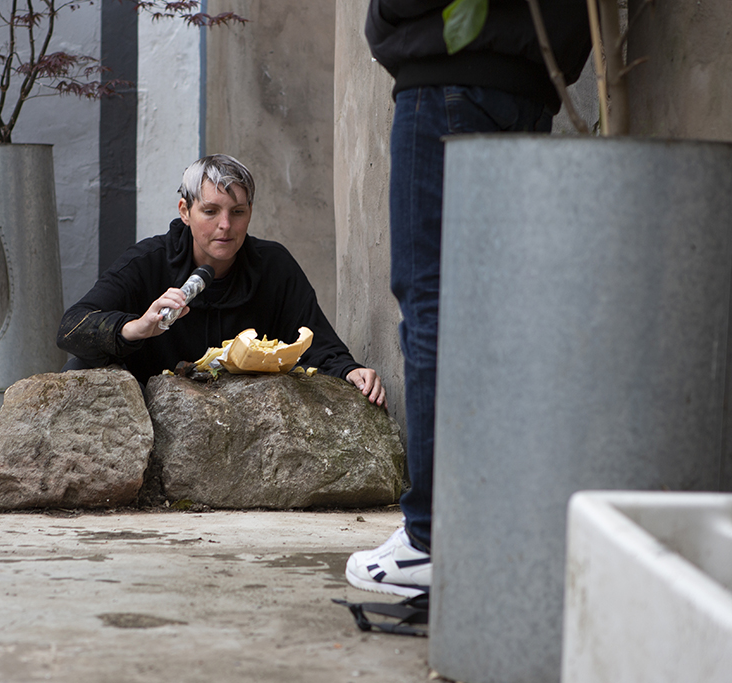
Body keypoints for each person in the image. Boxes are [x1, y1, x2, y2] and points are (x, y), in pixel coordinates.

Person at [345, 0, 591, 597]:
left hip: (446, 81)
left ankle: (432, 540)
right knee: (500, 314)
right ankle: (488, 530)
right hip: (533, 82)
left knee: (437, 307)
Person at [57, 154, 386, 406]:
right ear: (185, 211)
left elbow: (317, 343)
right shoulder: (149, 262)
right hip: (154, 415)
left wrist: (349, 371)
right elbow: (72, 327)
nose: (225, 225)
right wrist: (137, 328)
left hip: (246, 417)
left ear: (250, 212)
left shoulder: (273, 266)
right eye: (211, 211)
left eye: (237, 212)